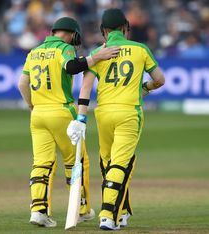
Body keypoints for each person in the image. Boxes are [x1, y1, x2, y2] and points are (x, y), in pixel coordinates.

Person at [67, 8, 165, 231]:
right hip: (129, 113)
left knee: (108, 164)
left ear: (104, 31)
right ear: (125, 29)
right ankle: (108, 215)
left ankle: (122, 213)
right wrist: (145, 88)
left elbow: (85, 88)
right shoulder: (140, 49)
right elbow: (160, 79)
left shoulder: (98, 52)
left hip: (103, 113)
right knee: (121, 164)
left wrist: (80, 119)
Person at [18, 16, 120, 228]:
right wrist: (97, 56)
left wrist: (31, 105)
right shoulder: (64, 48)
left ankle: (38, 210)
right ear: (71, 34)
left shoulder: (34, 52)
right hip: (62, 111)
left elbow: (22, 83)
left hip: (38, 115)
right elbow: (72, 67)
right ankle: (81, 209)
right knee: (76, 162)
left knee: (41, 163)